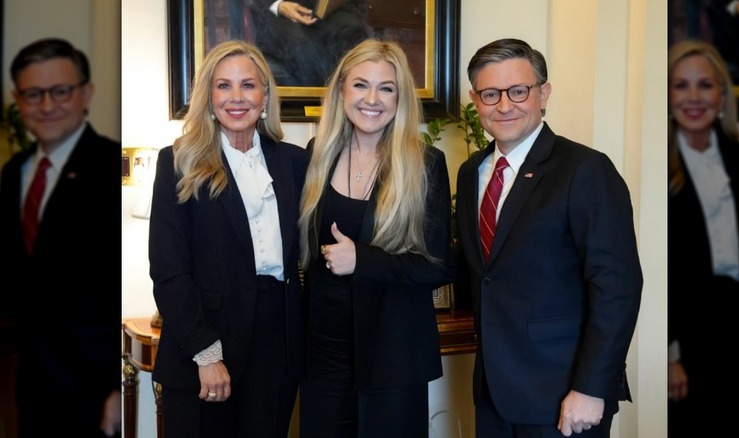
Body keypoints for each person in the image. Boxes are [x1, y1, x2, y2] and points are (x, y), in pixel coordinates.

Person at [453, 38, 643, 437]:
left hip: (564, 394)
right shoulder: (472, 173)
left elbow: (617, 286)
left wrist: (591, 388)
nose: (504, 105)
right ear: (475, 99)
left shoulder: (585, 170)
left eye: (518, 91)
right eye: (490, 94)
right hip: (493, 392)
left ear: (543, 93)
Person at [148, 39, 309, 438]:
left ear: (265, 95)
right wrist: (206, 353)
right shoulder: (179, 160)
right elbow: (169, 269)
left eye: (248, 85)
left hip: (277, 344)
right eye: (223, 86)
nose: (236, 98)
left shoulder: (293, 161)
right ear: (208, 96)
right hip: (205, 340)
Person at [297, 39, 451, 438]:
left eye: (387, 88)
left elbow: (437, 265)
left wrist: (361, 260)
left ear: (400, 99)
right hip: (323, 355)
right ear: (342, 91)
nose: (373, 99)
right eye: (361, 85)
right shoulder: (317, 155)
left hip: (393, 356)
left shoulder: (425, 163)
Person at [0, 38, 120, 437]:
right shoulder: (14, 171)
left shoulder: (108, 166)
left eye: (60, 91)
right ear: (18, 98)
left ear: (85, 92)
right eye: (34, 94)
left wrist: (115, 386)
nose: (47, 106)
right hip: (30, 382)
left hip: (95, 390)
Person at [666, 40, 739, 436]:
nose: (693, 97)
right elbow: (651, 271)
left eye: (705, 85)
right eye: (681, 85)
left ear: (722, 96)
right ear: (667, 95)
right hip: (689, 339)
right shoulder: (653, 171)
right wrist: (668, 352)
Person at [248, 0, 373, 86]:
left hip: (328, 12)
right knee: (300, 43)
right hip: (279, 13)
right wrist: (279, 5)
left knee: (353, 32)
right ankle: (313, 101)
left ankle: (346, 100)